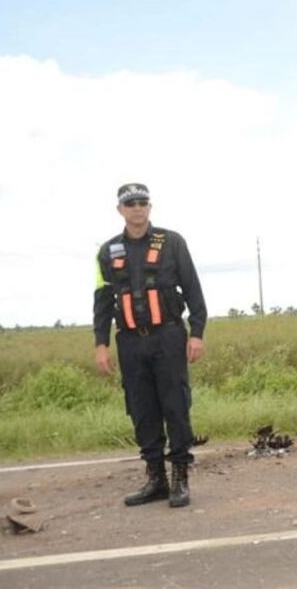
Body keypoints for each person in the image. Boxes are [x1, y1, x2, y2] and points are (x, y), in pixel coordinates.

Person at [93, 183, 207, 507]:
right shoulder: (107, 251)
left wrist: (196, 333)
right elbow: (102, 301)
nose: (137, 208)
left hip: (168, 336)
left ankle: (179, 479)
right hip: (129, 341)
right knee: (142, 409)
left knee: (175, 405)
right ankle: (155, 477)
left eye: (142, 202)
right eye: (130, 204)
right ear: (120, 210)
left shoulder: (171, 243)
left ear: (150, 207)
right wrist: (100, 344)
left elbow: (194, 291)